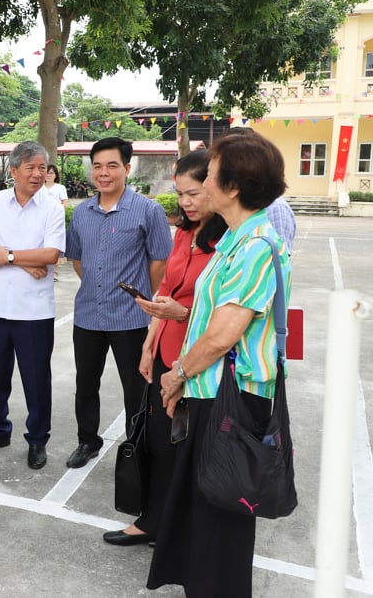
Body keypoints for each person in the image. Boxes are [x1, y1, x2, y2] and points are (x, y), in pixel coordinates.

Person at [147, 130, 292, 597]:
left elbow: (224, 333)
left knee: (222, 512)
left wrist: (177, 375)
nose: (200, 184)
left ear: (232, 187)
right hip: (210, 391)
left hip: (232, 396)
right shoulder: (234, 237)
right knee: (203, 506)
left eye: (208, 176)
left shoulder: (255, 246)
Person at [101, 150, 227, 546]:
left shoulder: (230, 242)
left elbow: (228, 313)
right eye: (180, 194)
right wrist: (148, 345)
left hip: (201, 358)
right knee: (158, 438)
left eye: (193, 193)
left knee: (188, 443)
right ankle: (152, 520)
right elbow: (165, 290)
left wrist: (183, 312)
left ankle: (181, 524)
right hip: (166, 352)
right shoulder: (184, 235)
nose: (185, 203)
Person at [65, 137, 172, 468]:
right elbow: (77, 259)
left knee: (136, 388)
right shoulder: (81, 212)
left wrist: (140, 296)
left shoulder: (148, 210)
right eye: (97, 166)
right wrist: (97, 289)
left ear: (127, 168)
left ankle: (137, 447)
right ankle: (87, 440)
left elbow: (159, 261)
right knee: (86, 384)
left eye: (112, 165)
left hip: (131, 319)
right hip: (88, 316)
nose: (103, 173)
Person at [0, 141, 65, 469]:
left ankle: (37, 440)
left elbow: (51, 255)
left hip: (35, 312)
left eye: (43, 167)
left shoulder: (52, 207)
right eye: (31, 167)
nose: (38, 173)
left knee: (36, 381)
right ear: (14, 171)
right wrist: (25, 261)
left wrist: (8, 255)